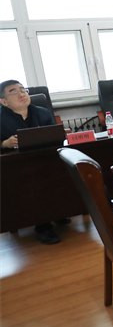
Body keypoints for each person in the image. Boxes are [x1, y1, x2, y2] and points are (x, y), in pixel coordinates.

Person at [0, 80, 61, 244]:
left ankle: (60, 212)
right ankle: (43, 226)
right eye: (14, 92)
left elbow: (56, 136)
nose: (21, 94)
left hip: (46, 160)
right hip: (15, 168)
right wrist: (4, 144)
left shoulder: (42, 113)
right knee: (33, 181)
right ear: (4, 102)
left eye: (23, 90)